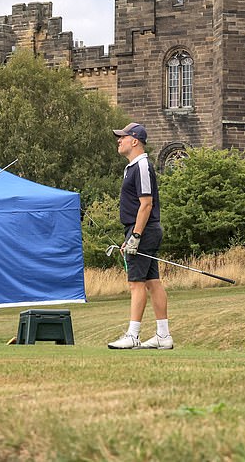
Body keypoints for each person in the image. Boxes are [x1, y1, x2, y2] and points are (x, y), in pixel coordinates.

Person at [107, 122, 173, 350]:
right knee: (152, 282)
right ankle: (163, 336)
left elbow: (146, 204)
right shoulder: (132, 167)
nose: (119, 140)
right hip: (141, 230)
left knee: (136, 284)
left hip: (144, 230)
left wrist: (135, 235)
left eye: (123, 137)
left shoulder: (142, 165)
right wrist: (132, 234)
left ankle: (133, 335)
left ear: (135, 141)